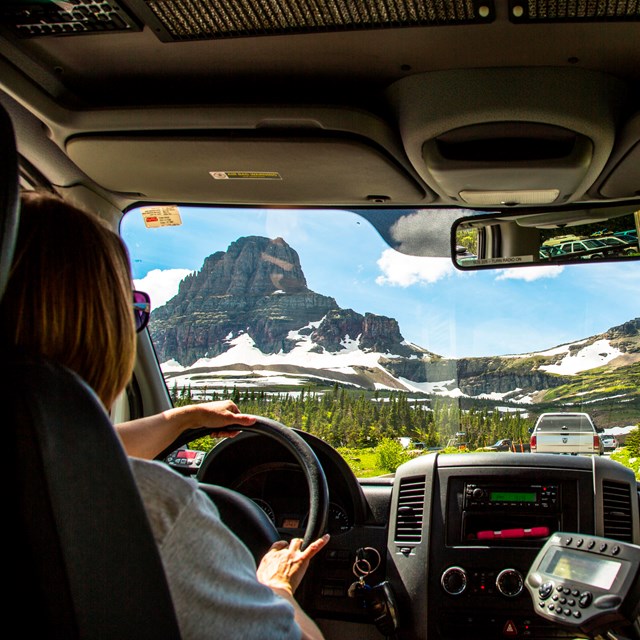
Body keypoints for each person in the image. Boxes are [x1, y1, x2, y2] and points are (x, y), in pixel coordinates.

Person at [1, 190, 329, 640]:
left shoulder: (31, 467)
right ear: (102, 328)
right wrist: (277, 588)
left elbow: (61, 448)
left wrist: (181, 420)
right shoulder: (151, 508)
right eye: (133, 311)